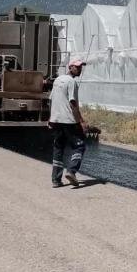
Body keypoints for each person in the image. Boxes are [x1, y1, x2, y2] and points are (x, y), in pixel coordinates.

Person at [48, 58, 88, 188]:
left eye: (81, 67)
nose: (79, 69)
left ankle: (56, 180)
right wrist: (81, 121)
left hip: (57, 120)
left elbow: (51, 100)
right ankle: (71, 171)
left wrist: (50, 118)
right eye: (77, 67)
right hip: (68, 121)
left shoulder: (57, 81)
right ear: (70, 67)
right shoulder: (72, 82)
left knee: (59, 148)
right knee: (79, 145)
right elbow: (73, 103)